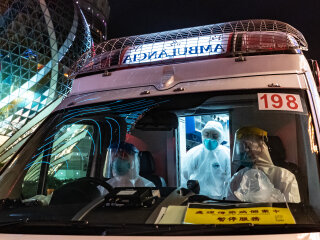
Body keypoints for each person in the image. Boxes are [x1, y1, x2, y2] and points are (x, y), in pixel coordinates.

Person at [226, 126, 300, 203]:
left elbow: (292, 208)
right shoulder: (237, 177)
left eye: (248, 145)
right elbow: (230, 207)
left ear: (263, 146)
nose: (246, 150)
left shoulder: (284, 176)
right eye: (242, 146)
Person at [182, 121, 231, 199]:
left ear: (221, 137)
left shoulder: (226, 154)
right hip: (196, 197)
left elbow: (230, 179)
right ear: (202, 135)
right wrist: (185, 195)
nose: (210, 138)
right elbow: (184, 176)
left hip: (217, 198)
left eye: (214, 135)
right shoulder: (194, 153)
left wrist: (226, 197)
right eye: (207, 134)